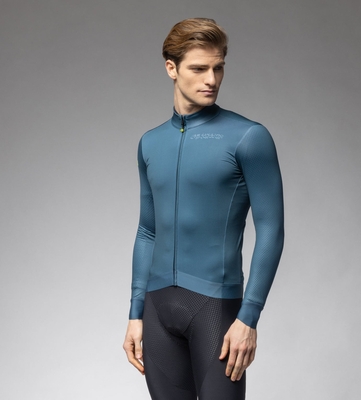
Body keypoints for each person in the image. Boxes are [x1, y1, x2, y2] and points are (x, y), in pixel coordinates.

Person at [123, 18, 284, 400]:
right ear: (172, 68)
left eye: (218, 67)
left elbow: (271, 229)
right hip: (157, 310)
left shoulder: (248, 137)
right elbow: (147, 231)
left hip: (216, 308)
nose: (211, 79)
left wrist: (249, 317)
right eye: (199, 68)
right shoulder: (150, 143)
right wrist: (135, 312)